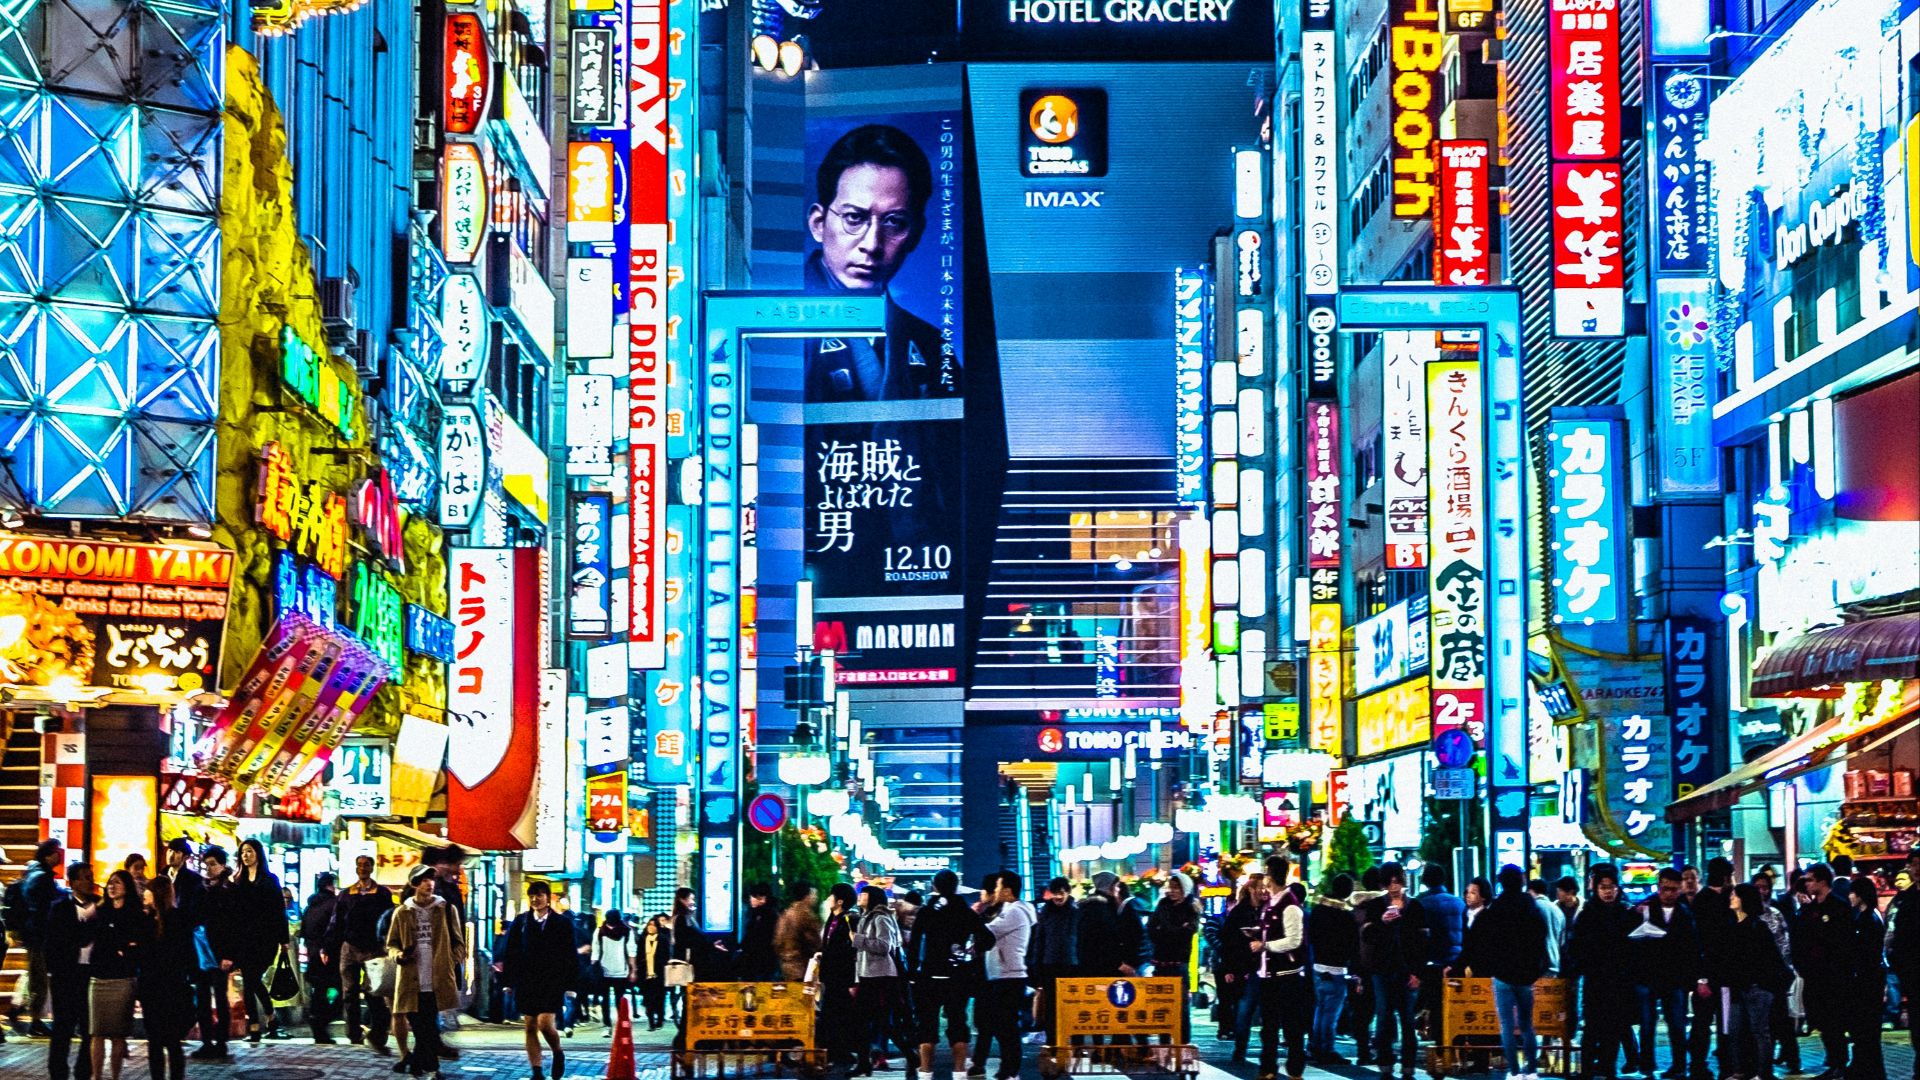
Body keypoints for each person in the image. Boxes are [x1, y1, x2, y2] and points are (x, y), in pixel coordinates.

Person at [803, 123, 959, 403]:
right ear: (818, 224)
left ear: (916, 234)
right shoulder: (778, 327)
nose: (872, 244)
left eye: (894, 222)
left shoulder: (932, 345)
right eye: (854, 218)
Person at [907, 868, 992, 1078]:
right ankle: (959, 1072)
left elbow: (914, 945)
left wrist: (912, 972)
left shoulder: (926, 911)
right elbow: (988, 939)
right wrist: (971, 951)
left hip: (929, 975)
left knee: (926, 1025)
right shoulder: (965, 911)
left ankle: (925, 1073)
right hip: (958, 974)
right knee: (958, 1024)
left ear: (934, 886)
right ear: (957, 886)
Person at [1473, 867, 1550, 1080]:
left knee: (1506, 1025)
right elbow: (1540, 937)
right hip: (1526, 974)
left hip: (1503, 975)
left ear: (1501, 882)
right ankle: (1532, 1070)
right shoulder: (1530, 906)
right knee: (1527, 1024)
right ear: (1522, 881)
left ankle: (1515, 1071)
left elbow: (1485, 941)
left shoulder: (1495, 908)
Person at [388, 865, 462, 1079]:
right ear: (414, 884)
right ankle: (425, 1066)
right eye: (423, 880)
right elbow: (391, 944)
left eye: (431, 879)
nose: (429, 883)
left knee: (428, 1025)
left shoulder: (446, 909)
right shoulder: (402, 912)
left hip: (437, 977)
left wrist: (450, 960)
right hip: (411, 978)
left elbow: (459, 943)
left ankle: (428, 1068)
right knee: (421, 1026)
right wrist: (399, 955)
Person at [498, 881, 576, 1080]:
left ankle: (557, 1052)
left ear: (548, 897)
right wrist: (507, 981)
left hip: (551, 981)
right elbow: (511, 952)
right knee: (530, 1025)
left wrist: (571, 985)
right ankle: (537, 1071)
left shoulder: (562, 922)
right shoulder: (521, 921)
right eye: (532, 895)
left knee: (544, 1023)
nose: (535, 899)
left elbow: (570, 954)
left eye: (539, 895)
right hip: (526, 980)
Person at [1358, 861, 1430, 1077]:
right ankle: (1385, 1063)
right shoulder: (1375, 905)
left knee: (1408, 1019)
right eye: (1389, 881)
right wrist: (1381, 922)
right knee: (1383, 1016)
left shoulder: (1415, 906)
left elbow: (1423, 942)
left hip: (1408, 970)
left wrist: (1418, 973)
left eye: (1396, 880)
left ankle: (1408, 1066)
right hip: (1382, 969)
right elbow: (1367, 936)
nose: (1393, 885)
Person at [1629, 868, 1701, 1080]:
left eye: (1674, 889)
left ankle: (1679, 1066)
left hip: (1674, 977)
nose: (1669, 893)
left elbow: (1692, 948)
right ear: (1659, 886)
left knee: (1677, 1024)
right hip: (1648, 976)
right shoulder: (1644, 909)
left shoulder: (1684, 913)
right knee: (1647, 1023)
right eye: (1665, 889)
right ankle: (1647, 1065)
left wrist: (1693, 977)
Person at [1566, 864, 1637, 1080]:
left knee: (1613, 1029)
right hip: (1595, 981)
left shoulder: (1626, 913)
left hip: (1619, 981)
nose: (1608, 891)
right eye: (1603, 887)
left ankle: (1609, 1068)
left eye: (1612, 887)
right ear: (1596, 888)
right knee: (1592, 1028)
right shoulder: (1587, 914)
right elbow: (1576, 948)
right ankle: (1588, 1069)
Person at [1715, 883, 1792, 1080]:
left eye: (1735, 895)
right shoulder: (1734, 925)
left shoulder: (1758, 926)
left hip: (1757, 987)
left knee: (1760, 1032)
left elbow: (1767, 959)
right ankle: (1740, 1070)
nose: (1732, 898)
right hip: (1738, 987)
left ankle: (1762, 1073)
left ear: (1744, 900)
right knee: (1735, 1031)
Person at [88, 868, 152, 1080]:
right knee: (96, 1032)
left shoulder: (135, 914)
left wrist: (125, 949)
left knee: (118, 1033)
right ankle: (96, 1075)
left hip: (123, 978)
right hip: (99, 977)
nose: (112, 887)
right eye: (109, 883)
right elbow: (95, 940)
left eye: (117, 882)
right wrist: (120, 946)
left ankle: (115, 1075)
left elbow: (138, 946)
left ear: (127, 886)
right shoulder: (100, 911)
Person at [1252, 853, 1311, 1080]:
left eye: (1266, 873)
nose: (1264, 879)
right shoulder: (1271, 904)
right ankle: (1267, 1068)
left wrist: (1264, 945)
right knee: (1268, 1026)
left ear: (1272, 875)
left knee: (1291, 1026)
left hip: (1287, 975)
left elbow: (1294, 940)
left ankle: (1295, 1069)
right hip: (1268, 973)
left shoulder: (1290, 905)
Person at [328, 854, 394, 1050]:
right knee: (349, 993)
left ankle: (378, 1033)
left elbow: (388, 920)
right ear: (356, 868)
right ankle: (353, 1034)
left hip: (374, 949)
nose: (363, 868)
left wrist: (387, 944)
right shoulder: (346, 894)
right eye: (360, 865)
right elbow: (336, 921)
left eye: (366, 865)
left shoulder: (382, 893)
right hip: (349, 947)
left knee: (374, 992)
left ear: (372, 868)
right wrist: (328, 945)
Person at [1797, 863, 1856, 1080]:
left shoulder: (1838, 907)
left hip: (1833, 976)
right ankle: (1833, 1061)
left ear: (1822, 881)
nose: (1807, 883)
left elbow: (1844, 944)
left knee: (1834, 1020)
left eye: (1811, 879)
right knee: (1820, 1019)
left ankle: (1839, 1062)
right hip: (1814, 976)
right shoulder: (1811, 909)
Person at [229, 837, 290, 1042]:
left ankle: (268, 1021)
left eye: (250, 852)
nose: (246, 856)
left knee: (253, 979)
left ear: (258, 855)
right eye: (243, 852)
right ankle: (258, 1025)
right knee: (250, 980)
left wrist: (283, 939)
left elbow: (278, 909)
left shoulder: (270, 879)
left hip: (266, 939)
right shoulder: (237, 881)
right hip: (244, 940)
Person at [851, 885, 913, 1076]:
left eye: (864, 894)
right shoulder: (866, 917)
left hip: (881, 978)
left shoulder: (881, 918)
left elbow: (884, 946)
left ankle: (910, 1055)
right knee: (865, 1022)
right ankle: (864, 1063)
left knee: (881, 1022)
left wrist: (857, 939)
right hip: (867, 976)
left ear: (873, 898)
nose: (860, 897)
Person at [979, 873, 1035, 1079]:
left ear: (1008, 891)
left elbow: (987, 932)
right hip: (1006, 974)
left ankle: (1010, 1068)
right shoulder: (1014, 910)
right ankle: (1008, 1067)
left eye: (998, 887)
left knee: (1006, 1025)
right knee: (1004, 1024)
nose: (995, 891)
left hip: (1009, 975)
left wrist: (975, 914)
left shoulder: (1014, 912)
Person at [140, 876, 196, 1080]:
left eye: (148, 890)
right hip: (159, 987)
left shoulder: (174, 919)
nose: (144, 893)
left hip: (167, 988)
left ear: (157, 893)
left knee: (167, 1041)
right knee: (160, 1042)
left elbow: (186, 954)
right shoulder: (148, 920)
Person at [45, 859, 96, 1080]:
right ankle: (58, 1072)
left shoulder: (99, 905)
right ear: (73, 882)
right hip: (66, 975)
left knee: (89, 1028)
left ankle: (84, 1071)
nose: (90, 881)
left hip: (92, 974)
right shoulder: (60, 908)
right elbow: (52, 943)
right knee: (63, 1027)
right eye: (85, 877)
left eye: (91, 877)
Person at [1690, 858, 1737, 1080]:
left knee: (1704, 1022)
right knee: (1720, 1022)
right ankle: (1722, 1064)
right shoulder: (1725, 900)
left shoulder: (1701, 900)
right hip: (1720, 973)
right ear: (1727, 876)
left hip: (1710, 973)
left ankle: (1700, 1064)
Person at [12, 838, 63, 1036]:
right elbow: (42, 909)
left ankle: (23, 1011)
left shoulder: (36, 874)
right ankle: (35, 1021)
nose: (59, 855)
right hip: (38, 936)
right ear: (47, 855)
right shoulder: (41, 878)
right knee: (39, 979)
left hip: (35, 935)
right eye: (56, 851)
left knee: (36, 976)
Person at [1307, 874, 1359, 1066]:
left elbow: (1310, 936)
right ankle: (1326, 1048)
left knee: (1320, 1009)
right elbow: (1352, 944)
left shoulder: (1318, 910)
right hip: (1336, 967)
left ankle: (1315, 1046)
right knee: (1331, 1012)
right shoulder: (1346, 915)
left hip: (1318, 966)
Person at [191, 846, 236, 1061]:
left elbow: (233, 925)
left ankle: (221, 1043)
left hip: (219, 953)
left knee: (220, 998)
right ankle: (207, 1042)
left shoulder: (229, 889)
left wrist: (229, 954)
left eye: (212, 864)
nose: (208, 869)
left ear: (222, 865)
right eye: (206, 864)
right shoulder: (201, 888)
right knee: (202, 999)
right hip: (200, 951)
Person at [1148, 871, 1201, 1043]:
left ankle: (1183, 1042)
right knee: (1161, 1005)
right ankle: (1164, 1042)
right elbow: (1151, 929)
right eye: (1170, 887)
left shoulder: (1191, 907)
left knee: (1181, 1006)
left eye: (1176, 888)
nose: (1172, 891)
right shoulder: (1162, 904)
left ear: (1184, 889)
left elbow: (1187, 933)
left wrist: (1165, 930)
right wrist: (1174, 930)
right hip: (1160, 961)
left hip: (1179, 962)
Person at [1843, 877, 1887, 1080]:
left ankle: (1869, 1069)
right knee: (1863, 1029)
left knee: (1866, 1029)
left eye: (1852, 893)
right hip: (1866, 981)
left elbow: (1866, 953)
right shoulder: (1863, 917)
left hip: (1867, 983)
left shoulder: (1869, 919)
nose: (1849, 896)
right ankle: (1863, 1067)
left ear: (1860, 895)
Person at [1027, 876, 1079, 1047]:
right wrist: (1036, 967)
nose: (1058, 897)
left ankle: (1075, 1043)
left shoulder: (1076, 912)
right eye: (1055, 894)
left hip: (1071, 966)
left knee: (1072, 1006)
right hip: (1049, 965)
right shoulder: (1045, 913)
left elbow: (1082, 940)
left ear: (1068, 893)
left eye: (1062, 893)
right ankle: (1053, 1042)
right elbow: (1038, 941)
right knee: (1051, 1007)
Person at [820, 883, 862, 1069]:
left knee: (841, 1013)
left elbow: (853, 951)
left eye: (831, 896)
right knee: (831, 1012)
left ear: (840, 901)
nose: (827, 899)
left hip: (842, 976)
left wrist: (852, 980)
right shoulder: (832, 919)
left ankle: (842, 1052)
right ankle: (833, 1051)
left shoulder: (849, 920)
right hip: (830, 975)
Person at [1888, 851, 1920, 1080]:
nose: (1916, 869)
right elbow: (1898, 935)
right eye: (1914, 865)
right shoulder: (1906, 899)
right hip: (1912, 972)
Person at [300, 872, 340, 1043]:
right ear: (329, 885)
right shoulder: (334, 904)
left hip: (313, 954)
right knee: (343, 987)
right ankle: (321, 1022)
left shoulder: (309, 907)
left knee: (320, 991)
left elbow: (303, 931)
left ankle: (318, 1027)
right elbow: (336, 930)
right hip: (329, 954)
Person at [776, 884, 822, 983]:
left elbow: (778, 940)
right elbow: (814, 942)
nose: (815, 898)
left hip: (786, 966)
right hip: (802, 967)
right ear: (806, 897)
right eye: (813, 895)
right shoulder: (805, 915)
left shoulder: (786, 913)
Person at [739, 883, 780, 980]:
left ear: (762, 898)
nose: (751, 899)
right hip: (762, 961)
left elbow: (755, 937)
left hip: (761, 961)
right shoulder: (760, 914)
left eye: (753, 896)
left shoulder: (765, 916)